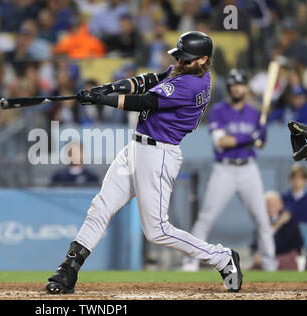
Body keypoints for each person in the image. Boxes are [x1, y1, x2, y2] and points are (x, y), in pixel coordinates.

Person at [46, 31, 243, 295]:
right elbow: (148, 80)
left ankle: (222, 257)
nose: (179, 62)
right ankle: (68, 269)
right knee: (101, 206)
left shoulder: (193, 85)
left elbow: (144, 101)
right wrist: (110, 88)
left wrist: (102, 100)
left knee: (157, 231)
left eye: (186, 59)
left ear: (203, 60)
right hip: (136, 148)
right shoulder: (186, 72)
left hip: (159, 154)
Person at [181, 69, 277, 272]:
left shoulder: (255, 114)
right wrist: (249, 137)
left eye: (240, 84)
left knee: (261, 219)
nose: (237, 88)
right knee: (206, 217)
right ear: (229, 88)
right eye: (233, 84)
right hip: (224, 170)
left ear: (246, 88)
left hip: (248, 169)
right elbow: (221, 141)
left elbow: (260, 144)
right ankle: (190, 262)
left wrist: (262, 133)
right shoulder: (218, 110)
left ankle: (270, 264)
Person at [250, 191, 304, 270]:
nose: (270, 207)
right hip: (267, 257)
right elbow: (255, 243)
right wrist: (256, 253)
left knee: (270, 263)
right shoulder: (262, 222)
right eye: (267, 204)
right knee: (254, 268)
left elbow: (283, 244)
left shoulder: (288, 219)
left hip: (288, 255)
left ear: (280, 205)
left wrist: (265, 256)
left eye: (273, 204)